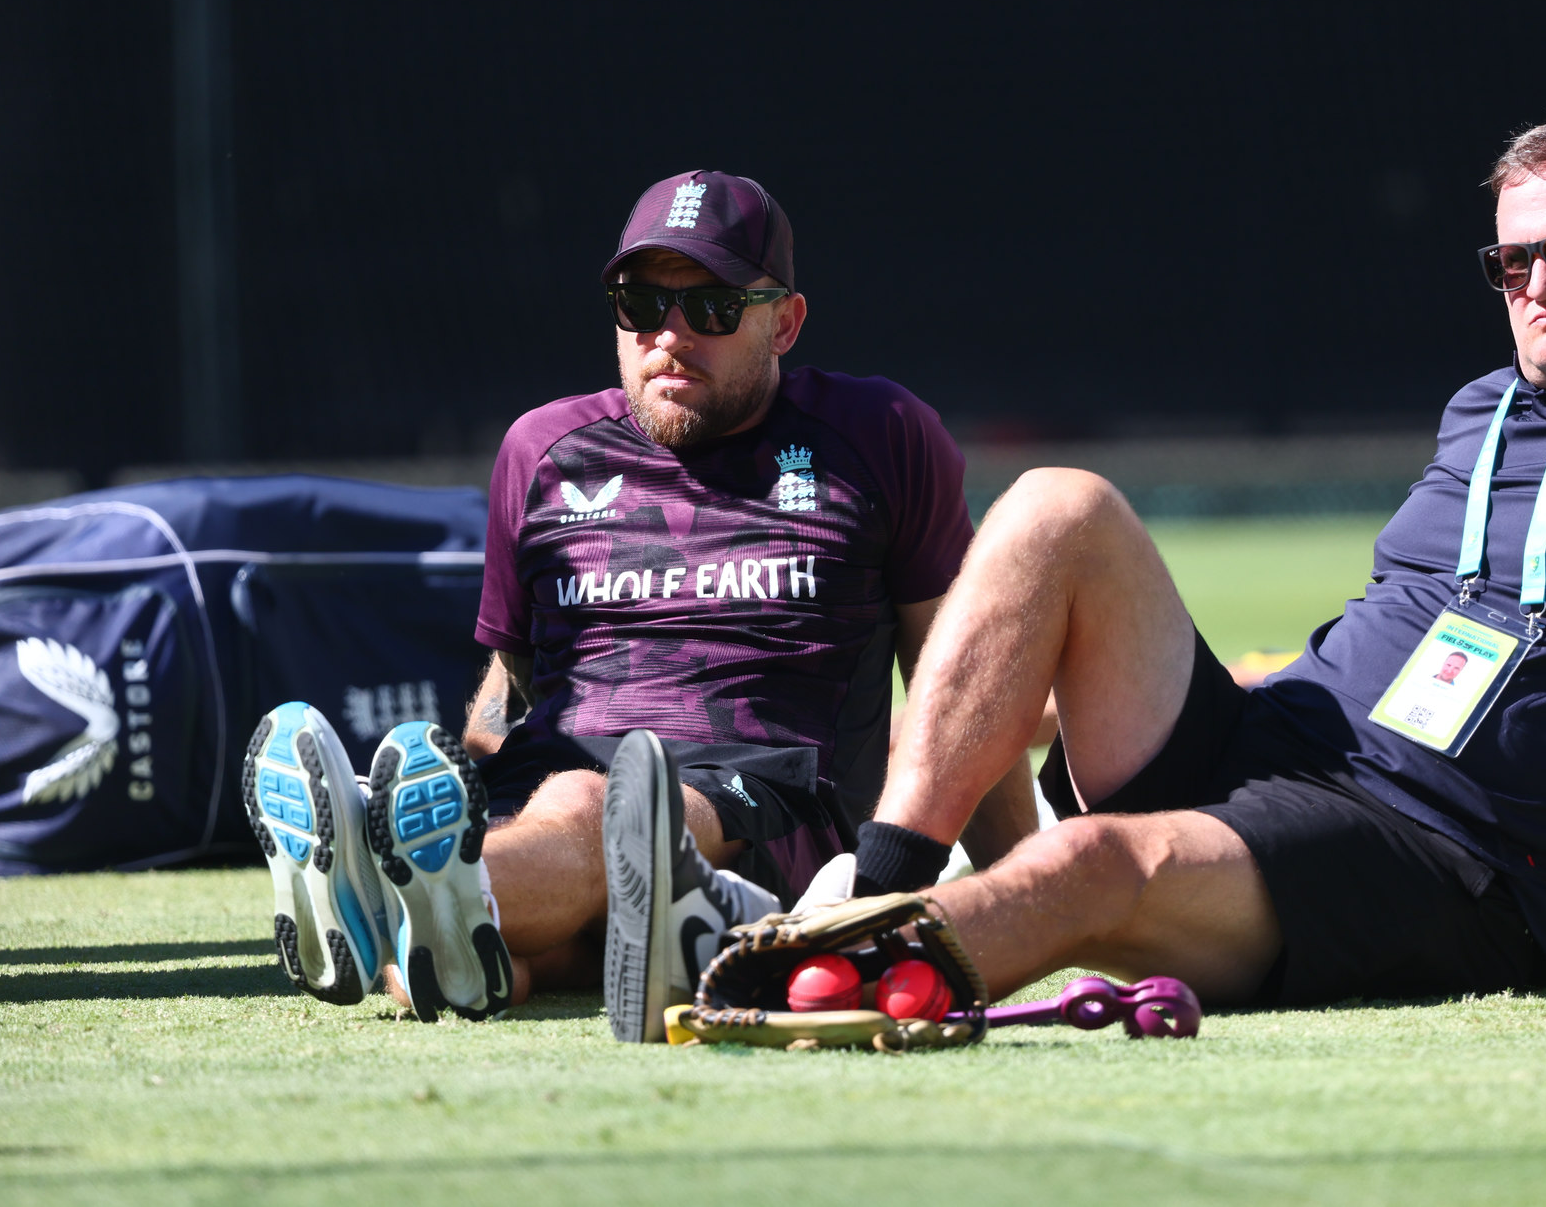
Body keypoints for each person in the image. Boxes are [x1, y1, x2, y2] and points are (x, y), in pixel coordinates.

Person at [769, 114, 1546, 1012]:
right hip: (1286, 753)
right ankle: (879, 878)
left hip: (1445, 865)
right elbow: (1411, 620)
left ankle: (825, 974)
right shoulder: (1481, 408)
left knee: (1095, 858)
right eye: (1512, 263)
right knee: (1055, 503)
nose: (1537, 287)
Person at [243, 170, 1032, 1029]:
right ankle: (420, 910)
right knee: (467, 961)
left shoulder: (878, 436)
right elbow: (513, 680)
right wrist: (473, 789)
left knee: (602, 802)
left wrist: (1022, 889)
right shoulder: (542, 450)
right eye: (641, 303)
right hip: (554, 794)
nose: (670, 335)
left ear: (784, 323)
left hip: (768, 803)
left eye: (713, 308)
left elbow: (958, 677)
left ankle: (372, 885)